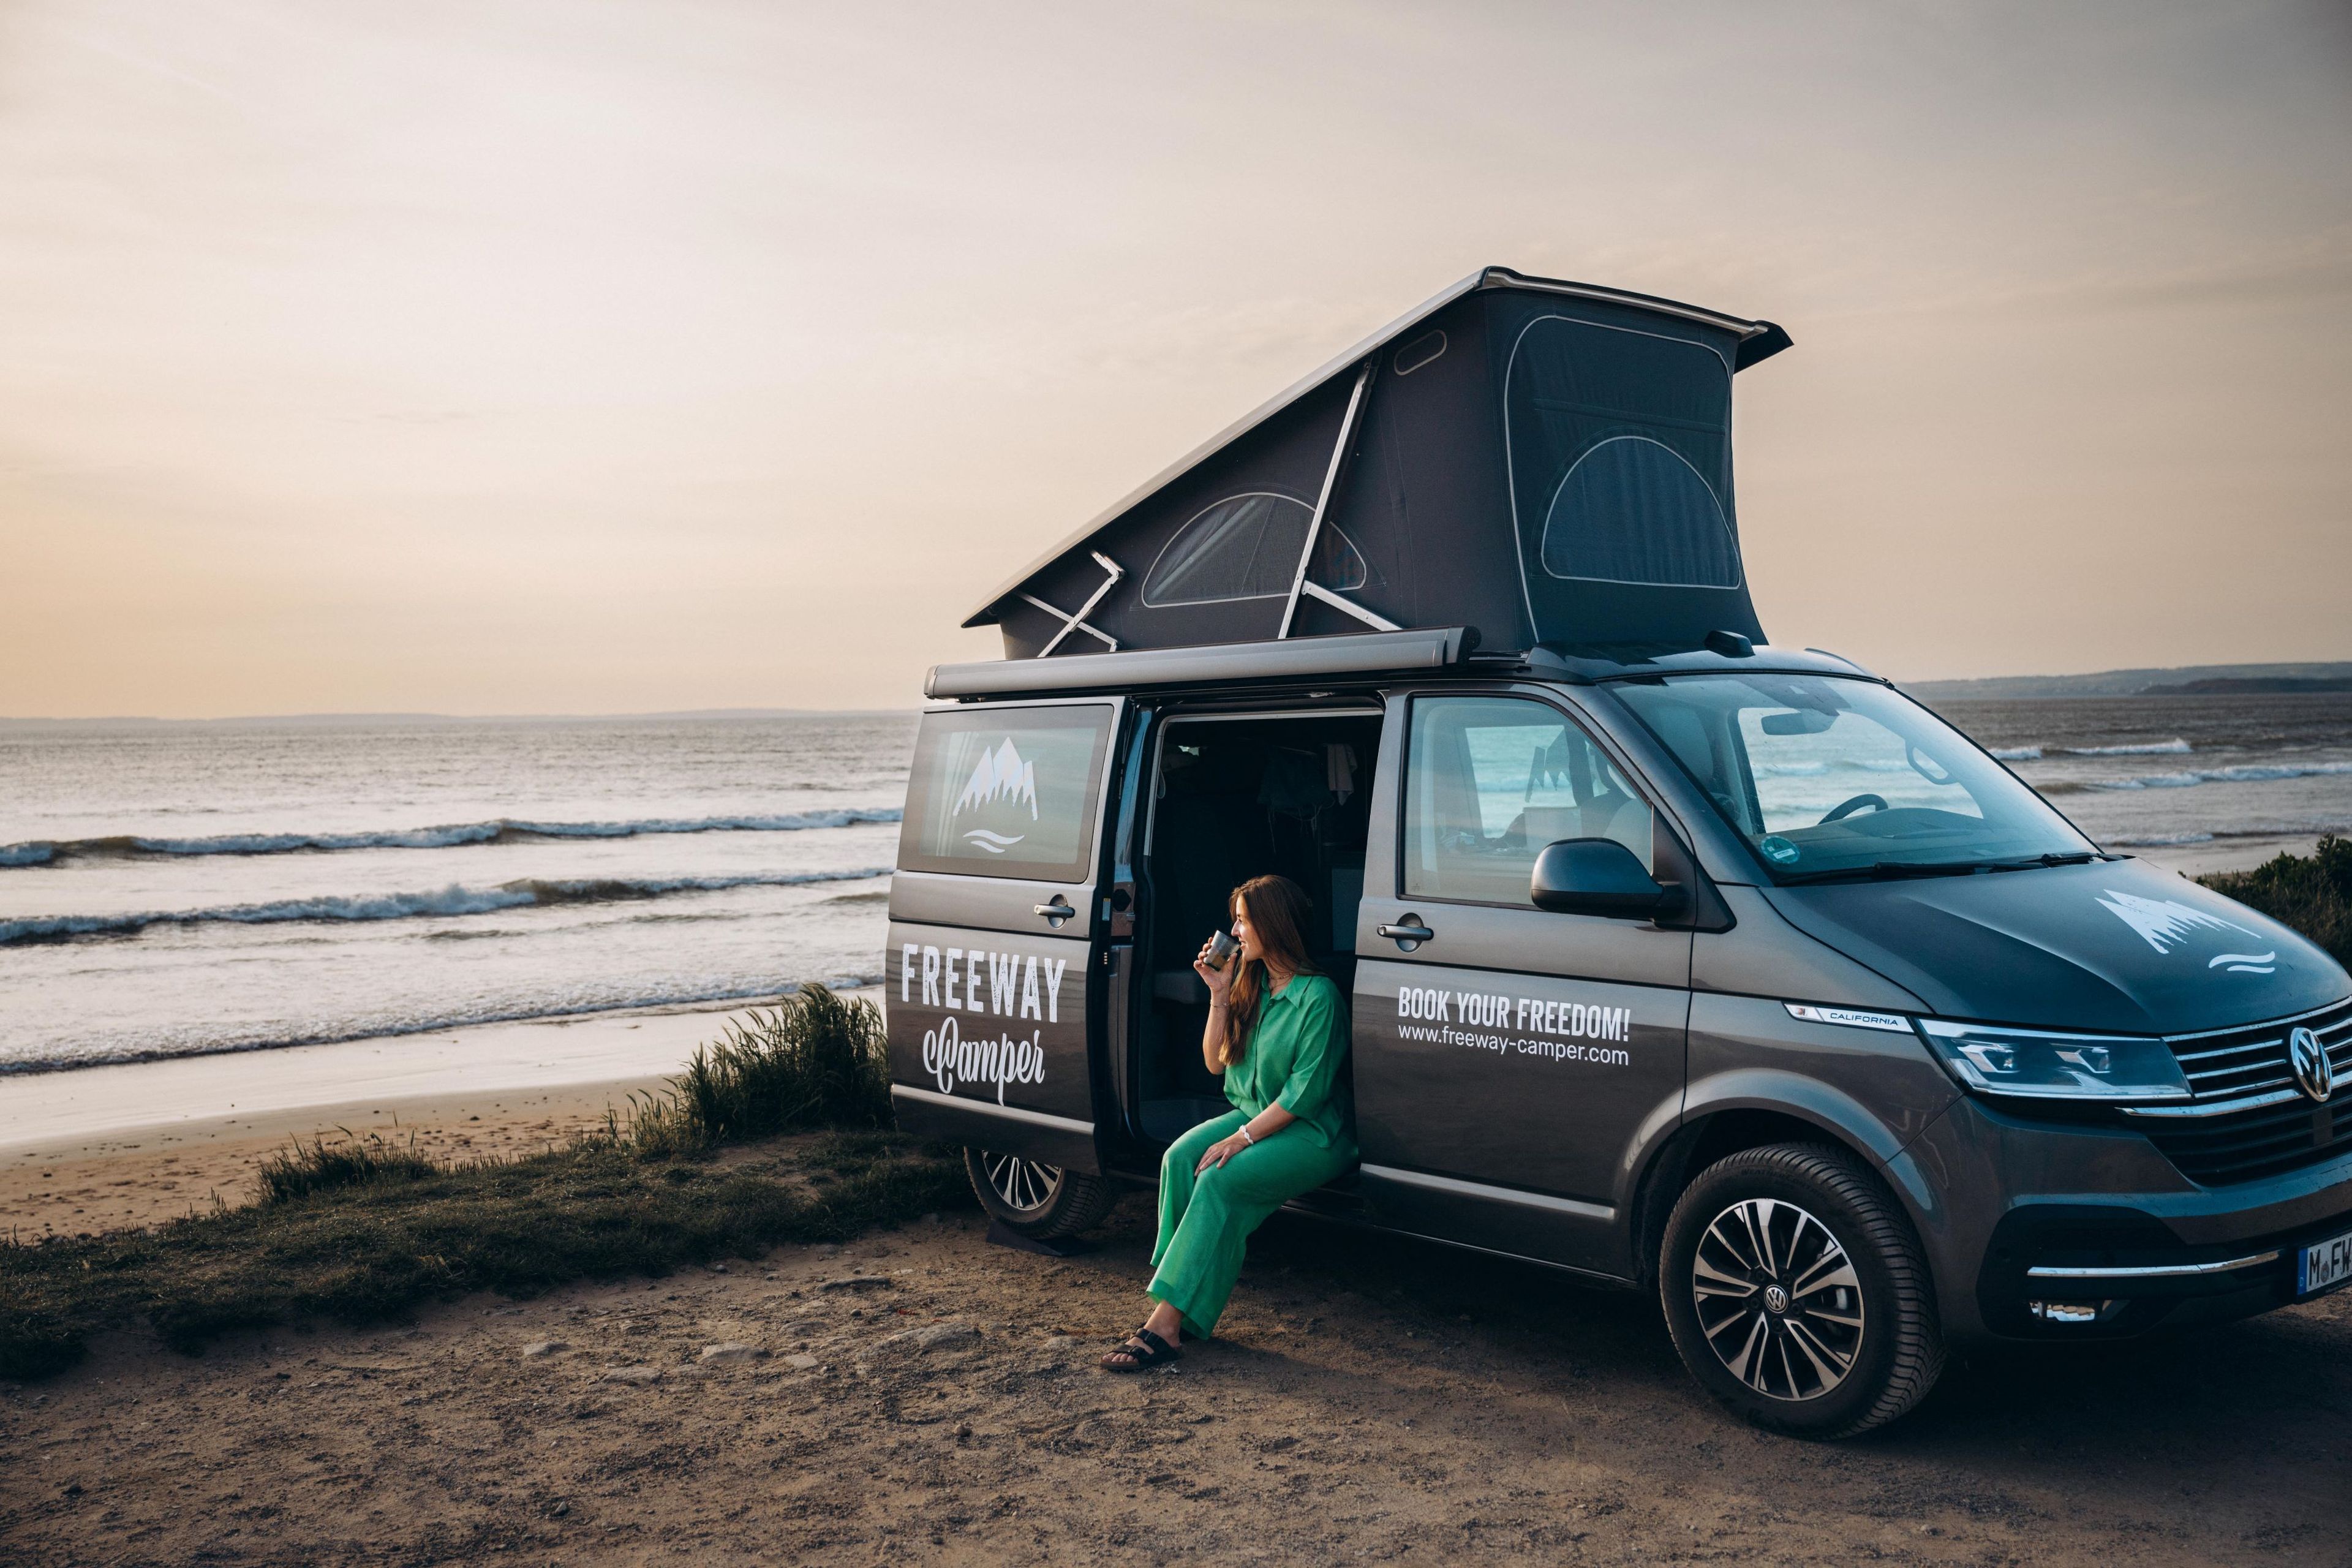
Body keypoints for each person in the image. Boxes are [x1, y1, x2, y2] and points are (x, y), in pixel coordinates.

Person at [1102, 873, 1354, 1371]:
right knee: (1179, 1158)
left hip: (1311, 1131)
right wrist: (1218, 993)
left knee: (1221, 1178)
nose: (1234, 932)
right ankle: (1181, 1305)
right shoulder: (1249, 982)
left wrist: (1240, 1139)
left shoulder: (1318, 998)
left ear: (1272, 925)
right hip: (1253, 1113)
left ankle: (1165, 1325)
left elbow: (1305, 1096)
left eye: (1242, 921)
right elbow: (1216, 1063)